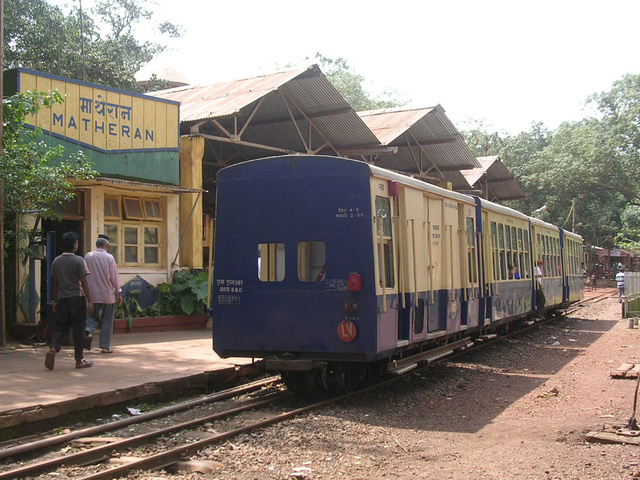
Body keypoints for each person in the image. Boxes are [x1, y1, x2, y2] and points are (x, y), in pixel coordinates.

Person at [45, 231, 94, 370]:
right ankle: (79, 360)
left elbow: (55, 283)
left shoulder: (56, 261)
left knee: (60, 327)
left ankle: (53, 349)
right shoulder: (79, 260)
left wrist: (55, 300)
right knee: (78, 330)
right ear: (74, 245)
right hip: (77, 298)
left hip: (62, 299)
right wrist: (90, 301)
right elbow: (84, 282)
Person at [84, 234, 123, 354]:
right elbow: (114, 277)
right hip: (107, 295)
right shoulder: (109, 258)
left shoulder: (88, 256)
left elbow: (84, 274)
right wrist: (119, 292)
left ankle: (88, 332)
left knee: (92, 317)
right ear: (107, 245)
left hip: (92, 294)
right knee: (107, 320)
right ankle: (105, 346)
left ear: (97, 244)